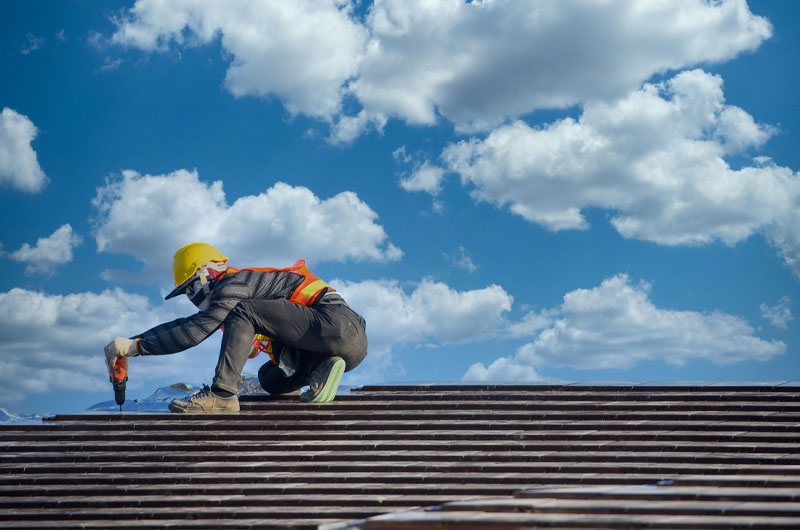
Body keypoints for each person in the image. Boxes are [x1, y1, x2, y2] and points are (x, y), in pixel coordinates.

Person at [103, 242, 368, 413]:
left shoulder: (234, 284)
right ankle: (321, 368)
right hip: (342, 345)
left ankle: (222, 395)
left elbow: (196, 330)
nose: (191, 298)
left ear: (207, 274)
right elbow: (186, 325)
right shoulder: (235, 290)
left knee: (245, 311)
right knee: (270, 378)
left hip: (338, 323)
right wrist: (132, 343)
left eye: (190, 288)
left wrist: (138, 347)